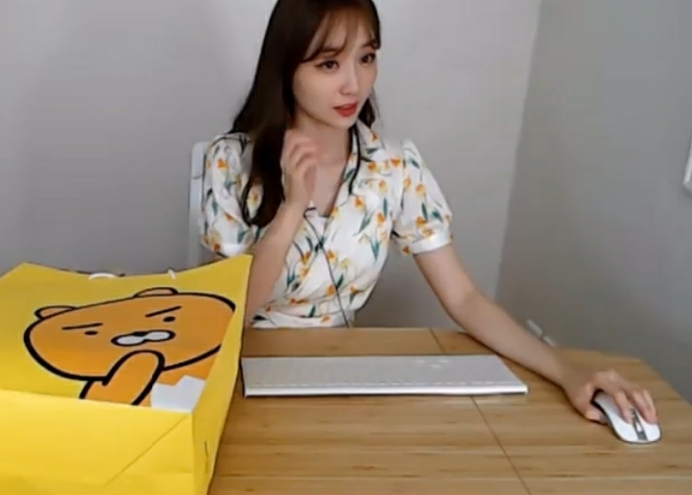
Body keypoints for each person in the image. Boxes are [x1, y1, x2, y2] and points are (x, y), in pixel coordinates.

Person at [200, 0, 657, 425]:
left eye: (366, 58)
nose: (353, 84)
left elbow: (464, 298)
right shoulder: (230, 161)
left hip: (334, 381)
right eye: (329, 64)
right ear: (286, 67)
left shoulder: (394, 167)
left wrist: (567, 371)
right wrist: (291, 210)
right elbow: (229, 314)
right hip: (238, 377)